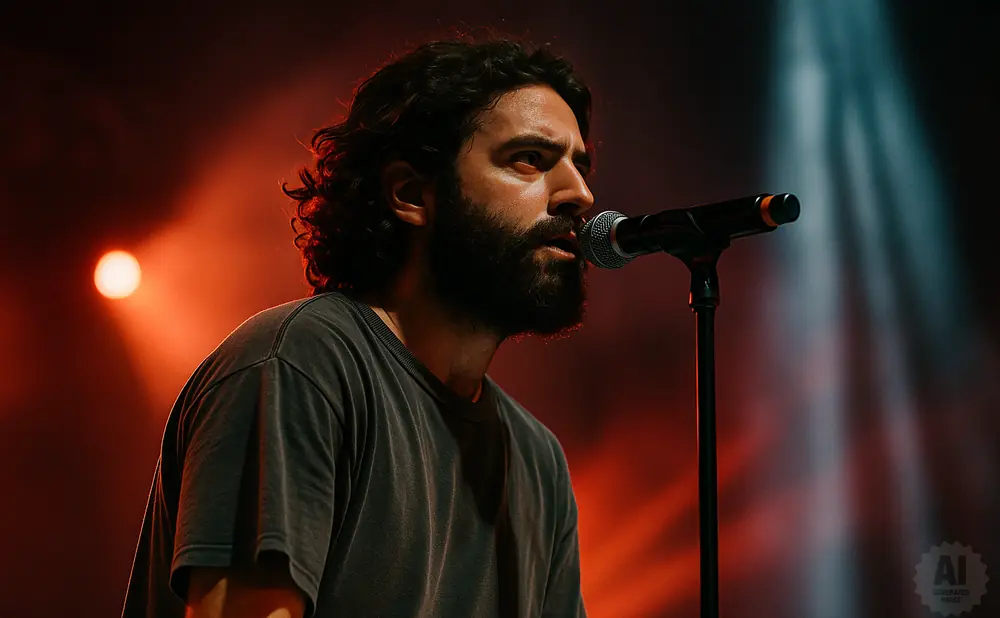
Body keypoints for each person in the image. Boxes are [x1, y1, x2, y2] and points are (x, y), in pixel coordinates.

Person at [121, 36, 595, 618]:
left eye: (580, 163)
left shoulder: (537, 460)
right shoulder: (301, 366)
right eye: (530, 159)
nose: (580, 194)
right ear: (411, 194)